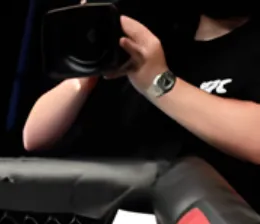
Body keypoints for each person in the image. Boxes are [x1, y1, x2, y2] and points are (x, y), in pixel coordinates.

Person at [23, 3, 260, 208]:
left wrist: (159, 83)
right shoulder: (153, 46)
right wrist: (88, 65)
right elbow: (35, 137)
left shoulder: (250, 48)